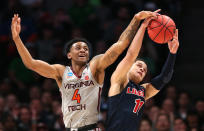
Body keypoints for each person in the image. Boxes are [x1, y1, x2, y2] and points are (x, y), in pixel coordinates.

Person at [11, 10, 159, 130]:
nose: (83, 50)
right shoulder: (60, 72)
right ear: (69, 54)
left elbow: (120, 45)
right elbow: (31, 63)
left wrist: (135, 19)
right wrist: (17, 39)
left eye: (86, 48)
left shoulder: (95, 67)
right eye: (78, 47)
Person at [106, 16, 179, 130]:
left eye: (145, 70)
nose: (142, 69)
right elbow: (131, 55)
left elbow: (164, 78)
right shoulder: (119, 80)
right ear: (129, 67)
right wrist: (143, 27)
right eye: (139, 65)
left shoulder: (143, 91)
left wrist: (172, 53)